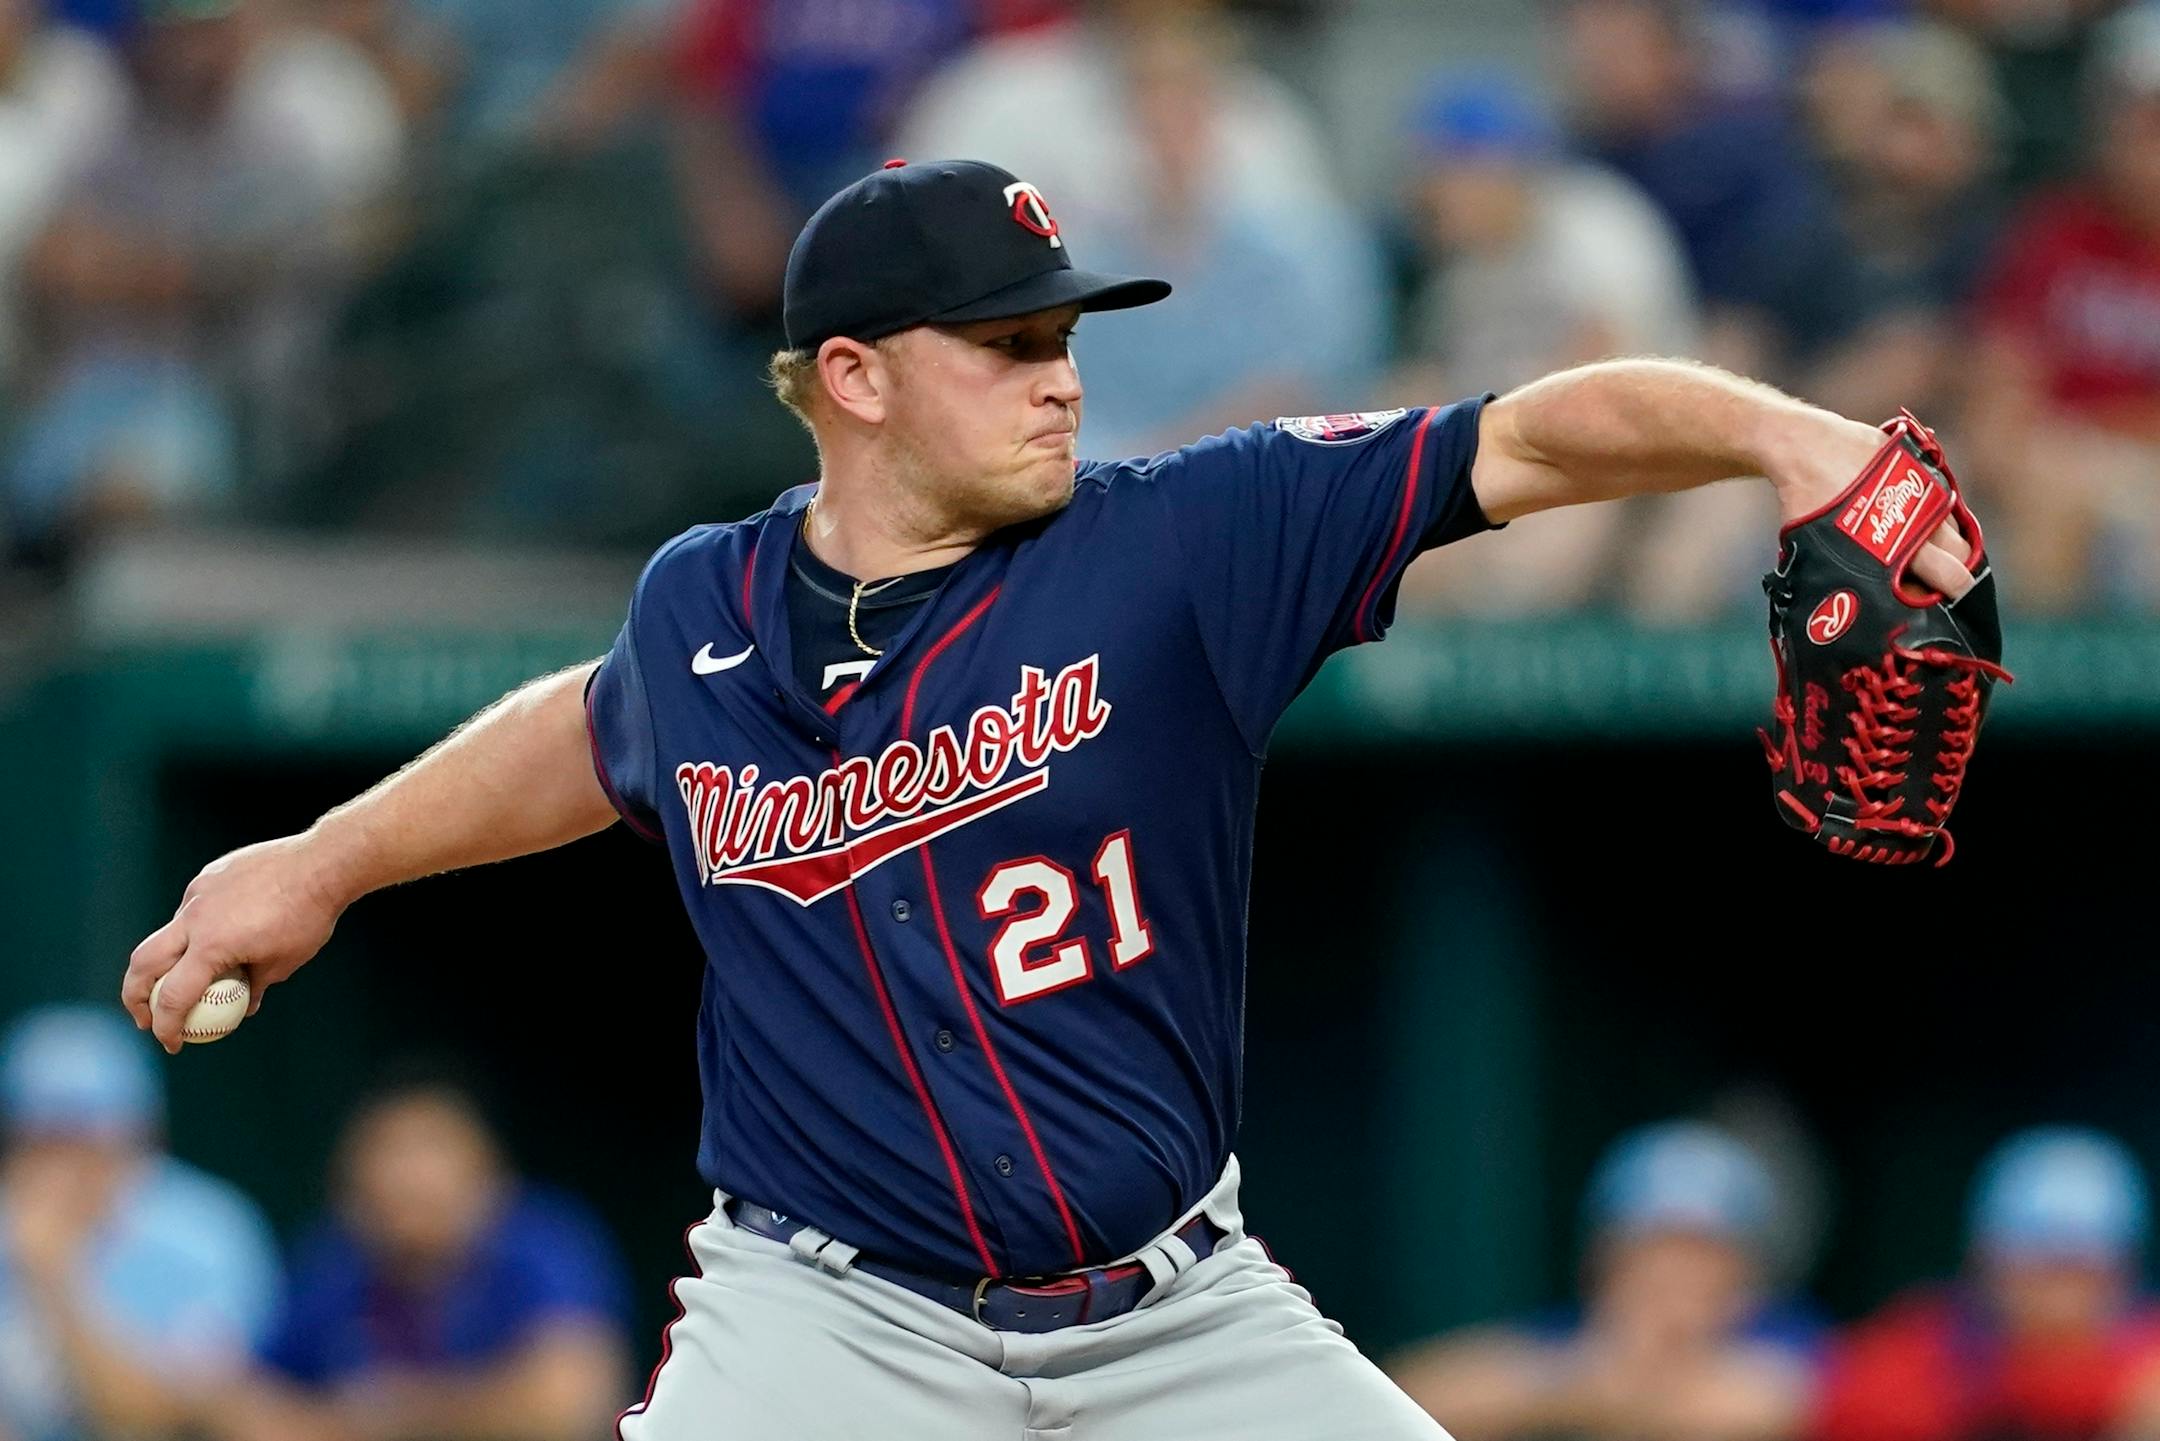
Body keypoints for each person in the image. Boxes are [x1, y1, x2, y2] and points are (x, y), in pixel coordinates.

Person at [124, 157, 1979, 1439]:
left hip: (1177, 1311)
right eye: (1009, 345)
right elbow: (599, 733)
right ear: (848, 377)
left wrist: (1781, 435)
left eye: (1067, 337)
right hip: (830, 1319)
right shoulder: (703, 609)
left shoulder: (1191, 537)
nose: (1061, 378)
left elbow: (1525, 435)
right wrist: (328, 855)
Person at [214, 1071, 633, 1441]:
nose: (406, 1176)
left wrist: (400, 1414)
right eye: (387, 1151)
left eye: (428, 1150)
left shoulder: (540, 1242)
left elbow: (570, 1405)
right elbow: (242, 1397)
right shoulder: (337, 1262)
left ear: (487, 1168)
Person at [1387, 1122, 1821, 1441]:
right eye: (1647, 1248)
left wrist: (1594, 1385)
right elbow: (1406, 1395)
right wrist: (1597, 1374)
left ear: (1746, 1272)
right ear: (1602, 1260)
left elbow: (1760, 1411)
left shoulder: (1783, 1330)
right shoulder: (1569, 1334)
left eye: (1698, 1253)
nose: (1668, 1273)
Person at [0, 1005, 281, 1441]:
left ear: (140, 1136)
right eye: (46, 1142)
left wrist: (53, 1278)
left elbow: (159, 1417)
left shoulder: (208, 1234)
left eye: (89, 1144)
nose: (66, 1168)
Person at [1815, 1127, 2160, 1441]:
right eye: (2037, 1245)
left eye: (2085, 1254)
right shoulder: (1919, 1344)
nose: (2060, 1271)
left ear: (2129, 1265)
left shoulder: (2150, 1350)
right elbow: (1841, 1397)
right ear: (1981, 1254)